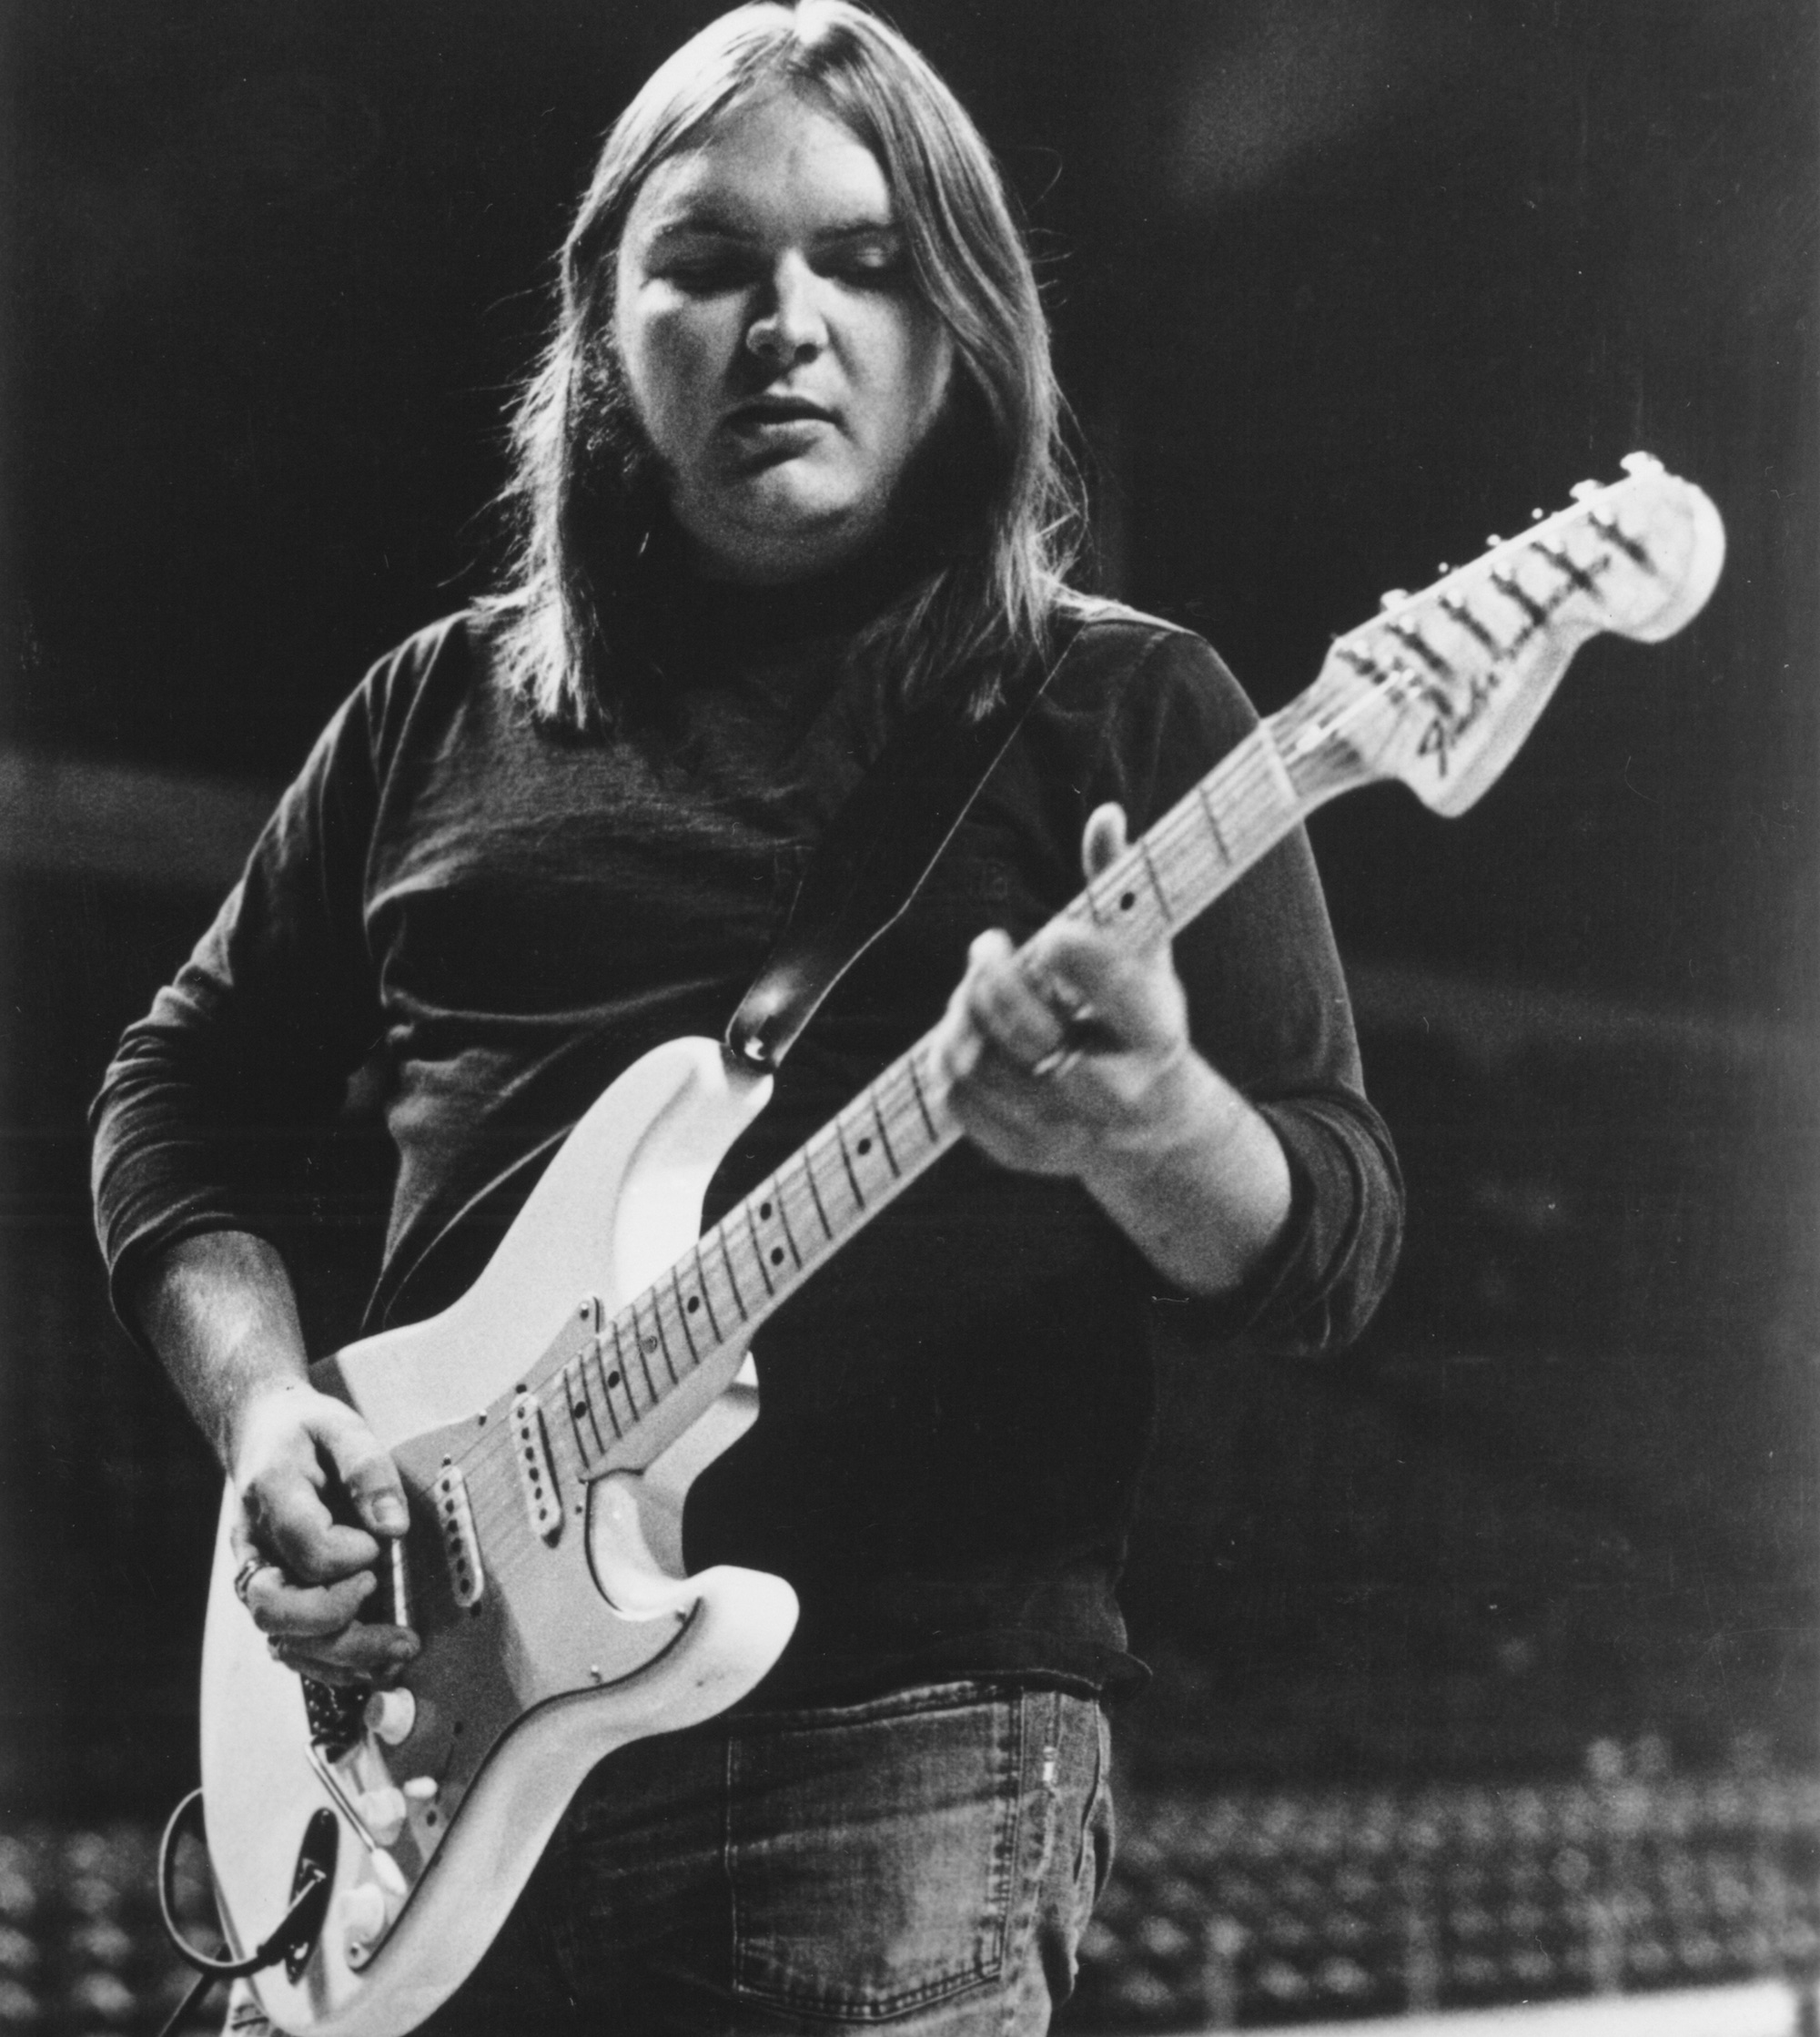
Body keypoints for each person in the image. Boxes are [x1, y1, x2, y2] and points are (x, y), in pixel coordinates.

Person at [91, 5, 1403, 2030]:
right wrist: (273, 1407)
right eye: (706, 262)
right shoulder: (439, 710)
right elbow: (175, 1092)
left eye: (864, 263)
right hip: (413, 1730)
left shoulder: (1120, 714)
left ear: (959, 322)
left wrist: (1153, 1125)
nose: (786, 318)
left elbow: (1326, 1240)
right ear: (607, 329)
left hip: (887, 1748)